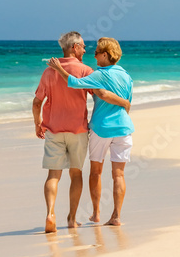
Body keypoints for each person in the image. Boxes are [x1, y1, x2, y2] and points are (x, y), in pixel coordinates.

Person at [33, 32, 130, 233]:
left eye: (93, 51)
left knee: (59, 174)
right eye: (85, 47)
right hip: (94, 129)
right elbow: (105, 94)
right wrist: (125, 103)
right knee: (87, 173)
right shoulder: (94, 71)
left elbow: (37, 102)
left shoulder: (50, 72)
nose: (88, 52)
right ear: (74, 47)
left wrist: (38, 123)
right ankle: (79, 218)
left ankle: (56, 213)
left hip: (68, 129)